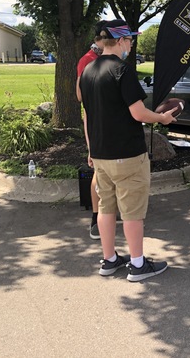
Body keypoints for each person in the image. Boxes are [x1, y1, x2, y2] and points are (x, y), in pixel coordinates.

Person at [78, 18, 176, 282]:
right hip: (127, 153)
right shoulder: (122, 70)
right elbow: (138, 113)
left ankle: (109, 259)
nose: (131, 44)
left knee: (106, 209)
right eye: (130, 39)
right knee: (132, 212)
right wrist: (163, 119)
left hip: (100, 153)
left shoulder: (87, 71)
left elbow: (88, 111)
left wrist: (90, 147)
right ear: (120, 40)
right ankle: (137, 264)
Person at [76, 20, 106, 240]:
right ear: (100, 39)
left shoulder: (108, 58)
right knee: (97, 169)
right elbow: (79, 96)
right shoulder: (88, 60)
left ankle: (110, 213)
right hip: (96, 119)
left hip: (113, 121)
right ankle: (96, 219)